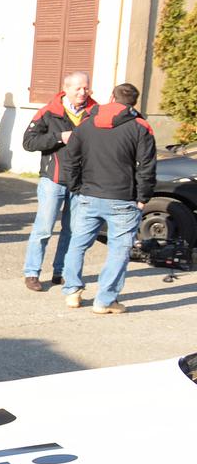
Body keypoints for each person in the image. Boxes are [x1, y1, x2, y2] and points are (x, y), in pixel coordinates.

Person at [59, 83, 156, 314]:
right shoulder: (140, 127)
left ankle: (72, 291)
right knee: (119, 250)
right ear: (134, 102)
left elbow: (71, 159)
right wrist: (143, 197)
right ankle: (105, 300)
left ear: (111, 97)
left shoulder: (86, 124)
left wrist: (75, 187)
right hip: (123, 198)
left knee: (77, 244)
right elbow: (147, 167)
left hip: (88, 195)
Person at [21, 72, 95, 291]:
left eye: (86, 88)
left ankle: (60, 272)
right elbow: (28, 142)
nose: (83, 92)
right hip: (53, 179)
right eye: (78, 88)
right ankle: (32, 273)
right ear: (66, 88)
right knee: (43, 229)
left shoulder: (95, 112)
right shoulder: (48, 111)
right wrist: (58, 138)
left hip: (81, 181)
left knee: (72, 230)